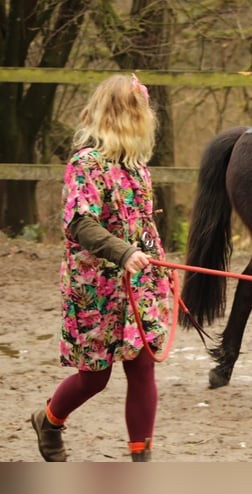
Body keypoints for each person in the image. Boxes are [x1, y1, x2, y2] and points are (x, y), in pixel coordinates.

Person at [31, 73, 171, 462]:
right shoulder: (85, 163)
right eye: (141, 109)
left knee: (142, 367)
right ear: (124, 115)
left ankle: (141, 462)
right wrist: (123, 253)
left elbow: (143, 223)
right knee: (95, 377)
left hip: (139, 284)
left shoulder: (137, 168)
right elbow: (80, 222)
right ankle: (49, 419)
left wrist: (161, 271)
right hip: (95, 286)